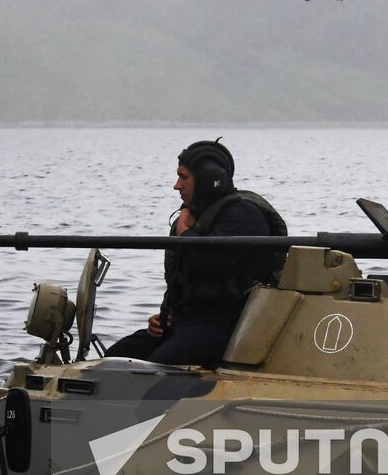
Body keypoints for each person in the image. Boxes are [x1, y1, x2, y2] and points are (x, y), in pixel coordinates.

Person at [105, 139, 287, 367]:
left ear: (208, 180)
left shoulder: (243, 215)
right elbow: (181, 278)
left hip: (228, 327)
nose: (176, 186)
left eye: (184, 177)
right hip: (186, 322)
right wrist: (163, 317)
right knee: (114, 359)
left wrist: (184, 232)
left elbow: (207, 262)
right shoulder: (198, 217)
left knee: (158, 368)